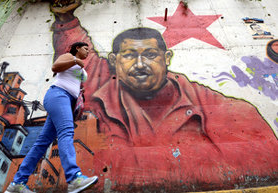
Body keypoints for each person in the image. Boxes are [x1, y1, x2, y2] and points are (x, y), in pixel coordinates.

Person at [49, 6, 278, 192]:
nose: (140, 65)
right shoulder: (103, 86)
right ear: (114, 60)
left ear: (166, 58)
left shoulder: (222, 108)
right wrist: (65, 17)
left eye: (149, 55)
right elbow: (78, 50)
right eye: (129, 56)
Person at [4, 42, 98, 193]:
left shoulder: (80, 68)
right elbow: (55, 68)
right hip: (58, 95)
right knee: (66, 132)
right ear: (77, 49)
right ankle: (74, 178)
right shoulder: (69, 57)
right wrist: (75, 61)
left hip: (66, 101)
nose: (88, 51)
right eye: (86, 48)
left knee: (42, 143)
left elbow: (75, 85)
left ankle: (17, 184)